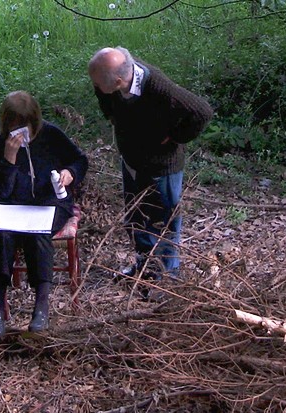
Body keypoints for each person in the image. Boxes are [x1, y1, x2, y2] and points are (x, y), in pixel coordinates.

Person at [88, 46, 213, 285]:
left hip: (160, 167)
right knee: (136, 217)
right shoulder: (112, 84)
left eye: (99, 84)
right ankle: (145, 266)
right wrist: (114, 116)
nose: (95, 88)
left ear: (117, 81)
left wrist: (175, 136)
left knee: (164, 223)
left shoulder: (158, 88)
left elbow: (202, 111)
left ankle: (166, 279)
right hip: (132, 161)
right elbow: (104, 97)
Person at [0, 91, 88, 338]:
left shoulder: (51, 135)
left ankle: (41, 305)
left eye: (26, 124)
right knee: (1, 237)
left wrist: (69, 172)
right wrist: (9, 161)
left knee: (37, 233)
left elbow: (80, 160)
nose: (21, 130)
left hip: (51, 202)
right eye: (15, 125)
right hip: (13, 204)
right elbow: (2, 190)